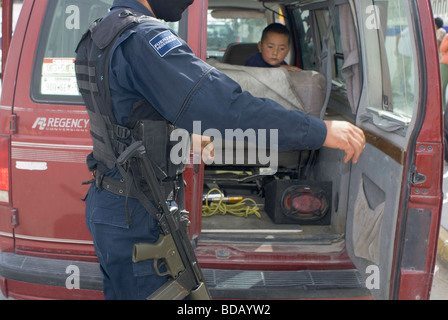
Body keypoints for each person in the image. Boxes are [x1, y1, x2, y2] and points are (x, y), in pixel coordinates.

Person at [76, 0, 365, 300]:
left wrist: (182, 137)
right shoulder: (143, 38)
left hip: (111, 207)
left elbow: (125, 120)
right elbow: (228, 108)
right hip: (140, 213)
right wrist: (319, 131)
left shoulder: (101, 34)